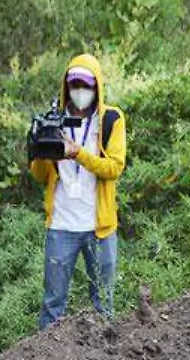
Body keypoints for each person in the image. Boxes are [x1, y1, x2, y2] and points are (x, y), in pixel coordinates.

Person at [30, 53, 127, 329]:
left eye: (86, 85)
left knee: (103, 303)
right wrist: (40, 148)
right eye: (74, 85)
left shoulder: (111, 120)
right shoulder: (54, 120)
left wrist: (77, 153)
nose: (80, 91)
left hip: (100, 227)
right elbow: (39, 176)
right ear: (66, 86)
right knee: (52, 304)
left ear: (97, 86)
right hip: (61, 224)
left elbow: (114, 168)